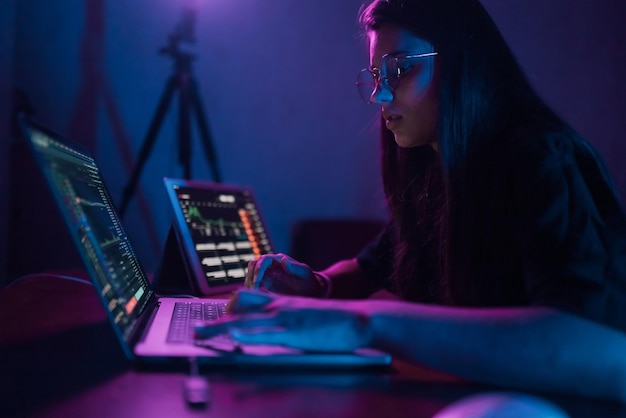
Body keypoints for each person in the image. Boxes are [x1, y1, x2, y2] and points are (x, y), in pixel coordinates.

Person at [196, 0, 626, 402]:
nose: (381, 96)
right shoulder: (435, 169)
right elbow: (369, 267)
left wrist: (363, 324)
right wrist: (314, 286)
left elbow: (593, 344)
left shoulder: (542, 157)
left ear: (463, 63)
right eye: (377, 77)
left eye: (399, 70)